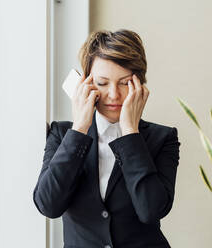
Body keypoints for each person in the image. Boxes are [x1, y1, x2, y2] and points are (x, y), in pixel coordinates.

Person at [33, 29, 181, 248]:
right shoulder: (63, 134)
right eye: (102, 83)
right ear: (86, 84)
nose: (113, 94)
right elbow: (48, 205)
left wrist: (130, 131)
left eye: (124, 83)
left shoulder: (163, 138)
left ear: (139, 84)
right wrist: (80, 128)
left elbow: (151, 210)